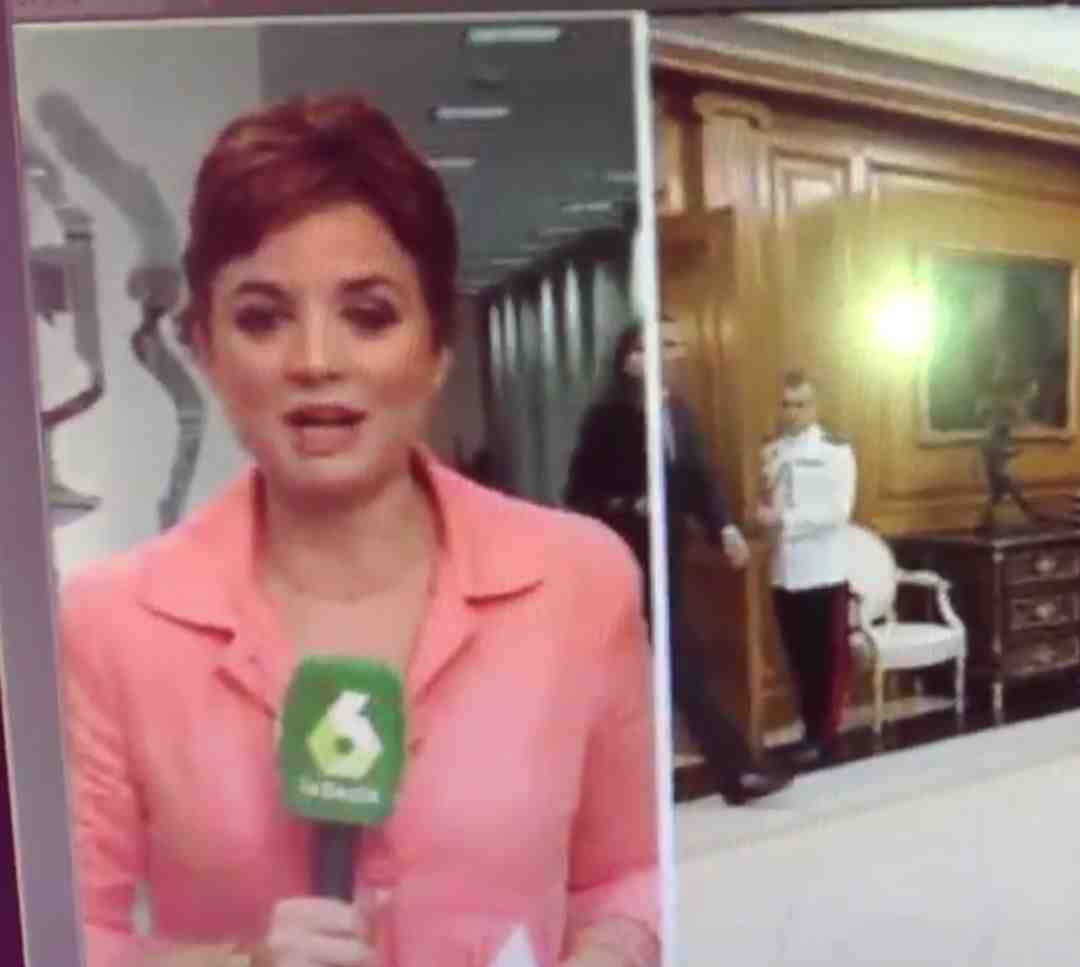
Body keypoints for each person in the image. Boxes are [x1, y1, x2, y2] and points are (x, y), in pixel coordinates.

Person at [56, 93, 658, 967]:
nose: (315, 361)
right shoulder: (111, 620)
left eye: (369, 314)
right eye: (262, 318)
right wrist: (236, 965)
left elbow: (630, 870)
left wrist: (613, 949)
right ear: (205, 350)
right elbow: (65, 935)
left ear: (437, 346)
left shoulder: (581, 577)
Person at [563, 324, 792, 806]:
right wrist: (630, 505)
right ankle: (738, 772)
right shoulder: (606, 419)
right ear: (629, 360)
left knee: (668, 664)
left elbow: (700, 479)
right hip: (624, 558)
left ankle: (727, 773)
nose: (672, 354)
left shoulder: (679, 414)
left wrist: (724, 528)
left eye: (674, 345)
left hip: (669, 555)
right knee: (678, 662)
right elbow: (579, 495)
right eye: (658, 346)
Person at [757, 370, 858, 766]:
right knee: (797, 658)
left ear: (816, 406)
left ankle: (825, 736)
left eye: (801, 404)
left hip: (823, 569)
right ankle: (808, 731)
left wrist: (785, 520)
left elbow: (838, 511)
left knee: (826, 661)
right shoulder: (773, 450)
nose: (793, 412)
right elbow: (767, 501)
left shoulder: (835, 451)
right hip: (785, 570)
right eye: (787, 404)